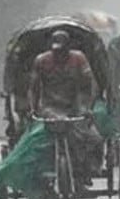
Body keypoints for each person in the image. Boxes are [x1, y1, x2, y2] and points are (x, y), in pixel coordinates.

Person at [28, 29, 102, 183]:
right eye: (56, 51)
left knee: (95, 139)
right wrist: (33, 109)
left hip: (75, 106)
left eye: (62, 51)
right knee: (38, 141)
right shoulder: (41, 61)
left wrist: (88, 107)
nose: (59, 55)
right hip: (50, 108)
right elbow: (34, 88)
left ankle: (90, 167)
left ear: (68, 48)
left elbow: (90, 84)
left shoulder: (78, 59)